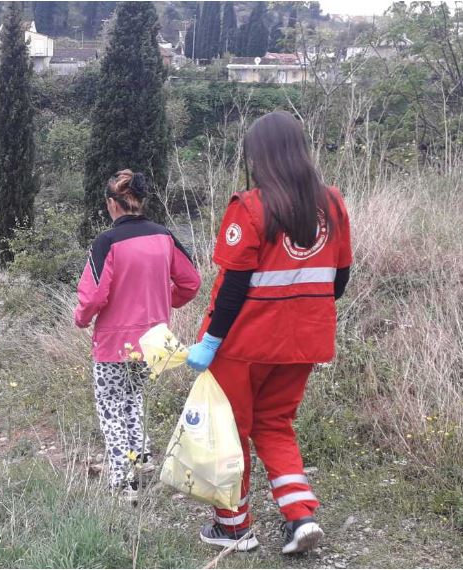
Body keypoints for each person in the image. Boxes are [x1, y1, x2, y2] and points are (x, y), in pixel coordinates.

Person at [186, 111, 353, 554]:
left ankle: (234, 528)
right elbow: (338, 281)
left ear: (258, 156)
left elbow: (234, 285)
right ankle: (300, 517)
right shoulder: (332, 204)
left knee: (230, 431)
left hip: (245, 345)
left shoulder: (251, 207)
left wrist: (210, 342)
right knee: (276, 425)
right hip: (303, 343)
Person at [74, 169, 201, 500]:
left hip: (114, 340)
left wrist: (80, 318)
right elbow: (191, 283)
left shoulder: (107, 242)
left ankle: (121, 480)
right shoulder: (164, 236)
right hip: (156, 338)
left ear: (111, 205)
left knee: (111, 406)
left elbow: (93, 297)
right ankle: (142, 461)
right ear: (141, 201)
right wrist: (162, 301)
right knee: (134, 399)